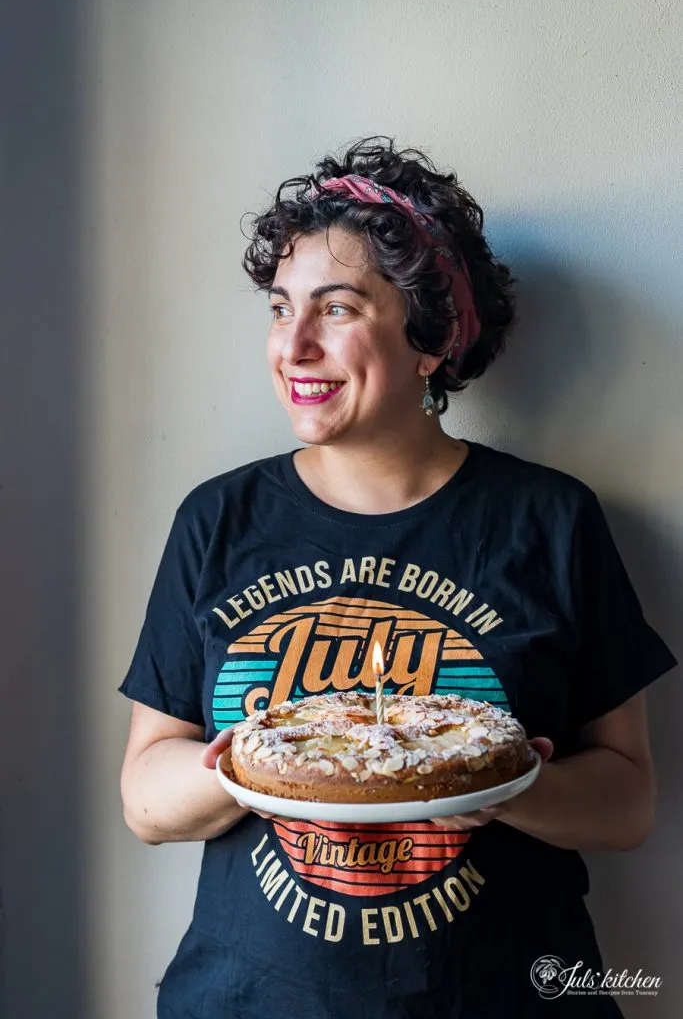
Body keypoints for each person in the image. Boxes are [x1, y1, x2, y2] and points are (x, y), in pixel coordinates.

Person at [119, 137, 676, 1018]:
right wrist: (259, 764)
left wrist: (506, 786)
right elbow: (147, 799)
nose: (293, 346)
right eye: (278, 307)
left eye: (335, 309)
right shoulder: (217, 520)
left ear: (429, 340)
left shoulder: (548, 520)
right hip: (247, 1002)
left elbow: (627, 805)